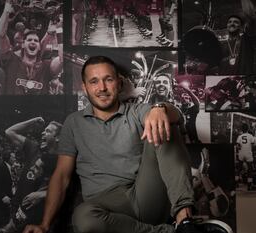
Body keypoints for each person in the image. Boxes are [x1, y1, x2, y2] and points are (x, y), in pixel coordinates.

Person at [23, 56, 228, 233]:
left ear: (119, 84)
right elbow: (61, 176)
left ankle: (185, 221)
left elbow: (176, 115)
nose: (102, 87)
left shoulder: (136, 110)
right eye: (94, 81)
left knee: (162, 121)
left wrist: (159, 108)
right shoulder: (73, 123)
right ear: (84, 87)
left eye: (108, 79)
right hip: (104, 207)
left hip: (146, 195)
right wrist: (43, 224)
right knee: (82, 217)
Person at [0, 117, 62, 233]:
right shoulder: (34, 148)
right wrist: (33, 121)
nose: (43, 132)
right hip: (18, 209)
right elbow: (9, 132)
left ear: (58, 137)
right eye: (44, 130)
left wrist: (42, 194)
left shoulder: (64, 162)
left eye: (48, 131)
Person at [0, 0, 62, 95]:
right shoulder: (11, 60)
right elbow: (0, 35)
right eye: (29, 40)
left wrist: (58, 29)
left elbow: (62, 59)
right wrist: (7, 9)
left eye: (35, 40)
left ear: (39, 47)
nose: (33, 42)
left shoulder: (46, 66)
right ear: (23, 44)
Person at [218, 2, 256, 75]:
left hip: (242, 80)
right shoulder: (221, 43)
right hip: (222, 80)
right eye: (230, 22)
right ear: (227, 26)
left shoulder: (246, 39)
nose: (232, 24)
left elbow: (251, 18)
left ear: (241, 27)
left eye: (236, 22)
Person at [235, 123, 255, 191]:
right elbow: (252, 146)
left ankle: (236, 183)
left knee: (239, 169)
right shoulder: (251, 136)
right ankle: (249, 185)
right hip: (248, 153)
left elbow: (237, 146)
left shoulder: (239, 136)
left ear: (242, 129)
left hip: (241, 153)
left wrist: (240, 148)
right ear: (248, 129)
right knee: (250, 170)